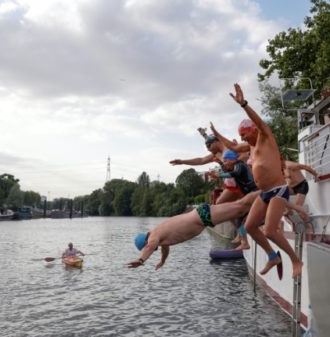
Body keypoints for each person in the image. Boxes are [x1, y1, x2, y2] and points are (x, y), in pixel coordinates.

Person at [226, 83, 304, 279]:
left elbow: (259, 122)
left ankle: (295, 260)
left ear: (252, 130)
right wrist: (214, 135)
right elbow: (233, 149)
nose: (242, 138)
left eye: (243, 134)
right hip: (264, 193)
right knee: (250, 226)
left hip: (278, 190)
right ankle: (272, 256)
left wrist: (243, 104)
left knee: (269, 230)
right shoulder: (250, 147)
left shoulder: (265, 136)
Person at [128, 191, 261, 270]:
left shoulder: (153, 238)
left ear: (145, 242)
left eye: (146, 247)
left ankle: (268, 191)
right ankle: (266, 198)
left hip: (201, 217)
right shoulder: (160, 238)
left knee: (241, 206)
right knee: (240, 208)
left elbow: (150, 246)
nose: (154, 249)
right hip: (202, 217)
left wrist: (141, 260)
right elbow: (164, 249)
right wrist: (162, 261)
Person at [282, 158, 319, 233]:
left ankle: (309, 226)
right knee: (278, 194)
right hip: (292, 188)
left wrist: (315, 175)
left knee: (297, 207)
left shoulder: (289, 165)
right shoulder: (278, 168)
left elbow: (305, 167)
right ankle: (289, 213)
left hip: (301, 186)